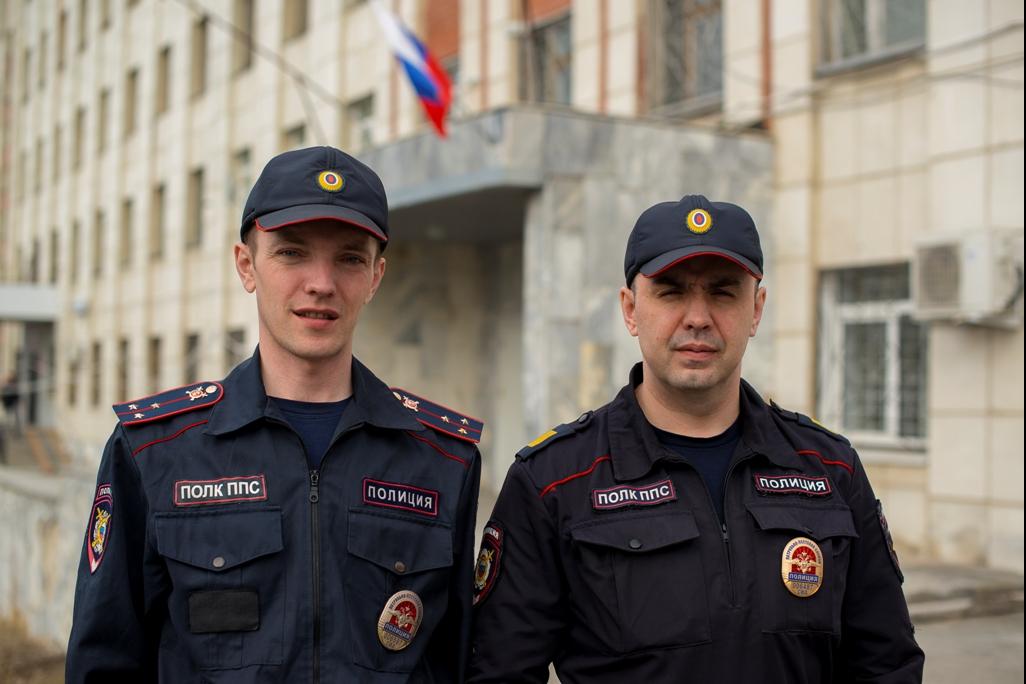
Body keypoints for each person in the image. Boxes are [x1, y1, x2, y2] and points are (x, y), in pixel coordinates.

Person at [66, 146, 483, 682]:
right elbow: (103, 662)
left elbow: (458, 660)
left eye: (350, 258)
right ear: (247, 264)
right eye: (291, 253)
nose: (321, 283)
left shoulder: (442, 459)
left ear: (376, 276)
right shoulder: (154, 451)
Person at [468, 195, 924, 683]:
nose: (698, 317)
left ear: (756, 309)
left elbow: (886, 664)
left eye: (723, 292)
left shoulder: (830, 469)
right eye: (671, 292)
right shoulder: (554, 482)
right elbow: (500, 672)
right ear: (630, 309)